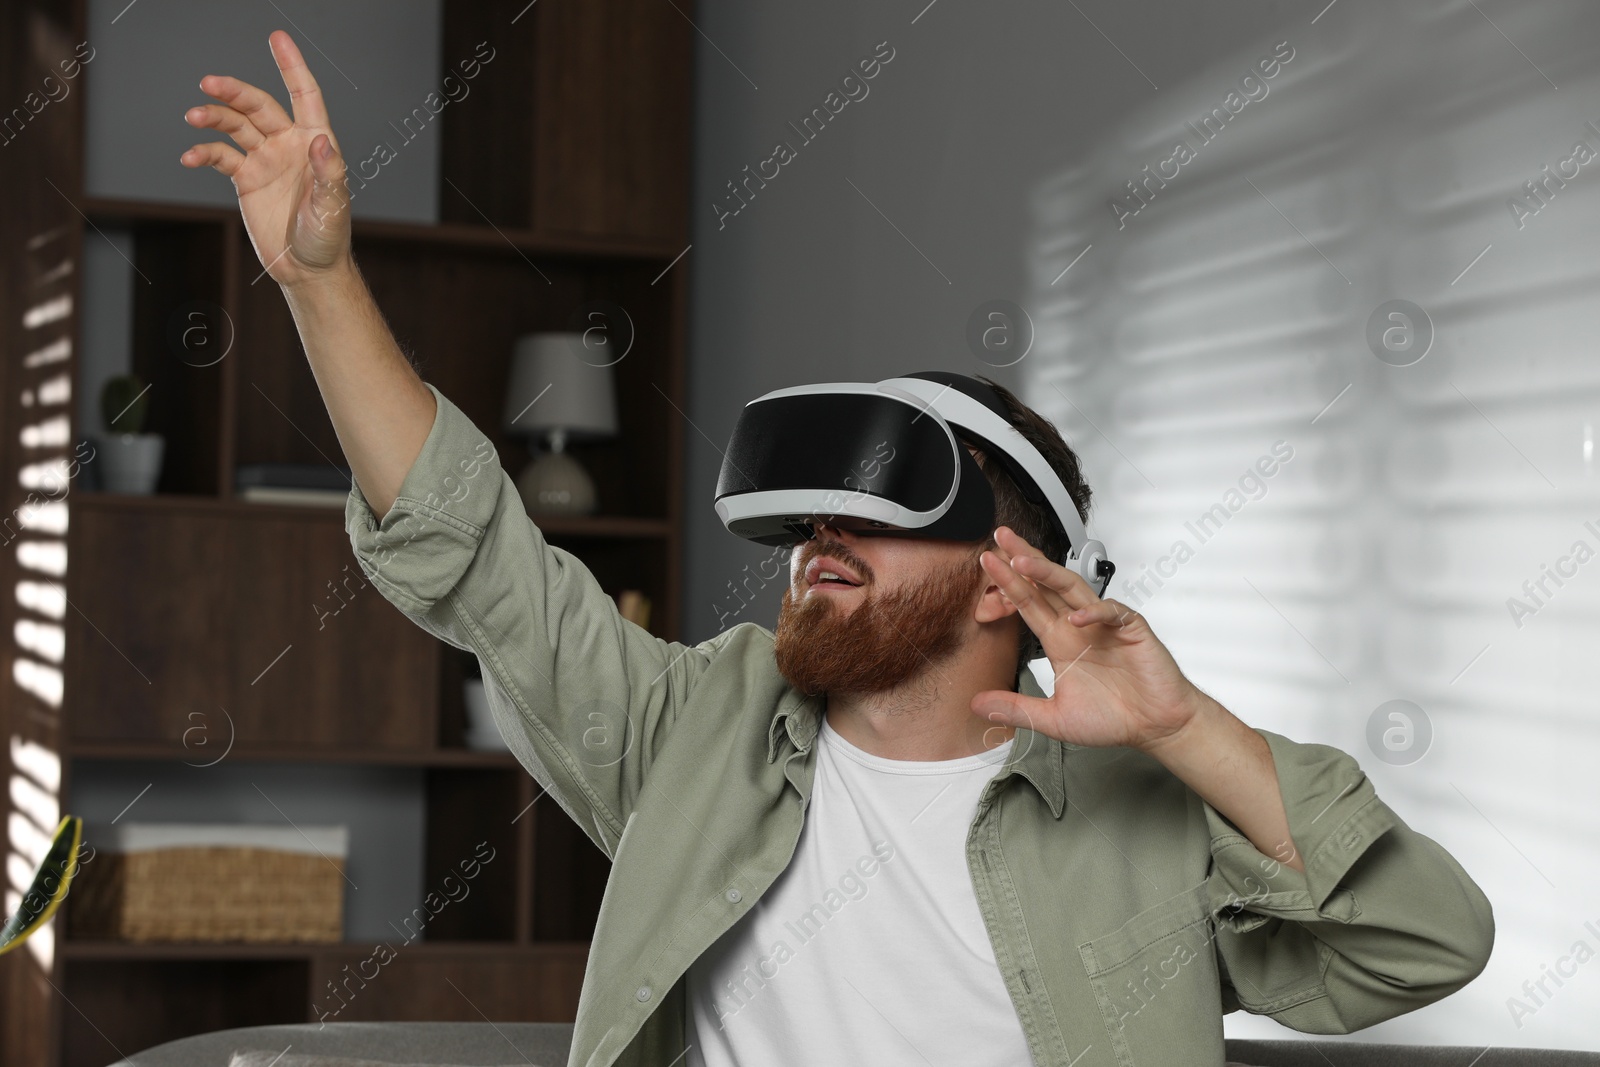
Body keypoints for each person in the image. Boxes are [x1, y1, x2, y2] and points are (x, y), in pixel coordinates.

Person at [182, 31, 1495, 1067]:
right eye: (813, 509)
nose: (823, 532)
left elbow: (1423, 941)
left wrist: (1184, 728)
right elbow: (472, 552)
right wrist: (318, 279)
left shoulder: (1152, 819)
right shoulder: (696, 730)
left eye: (883, 503)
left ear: (1008, 573)